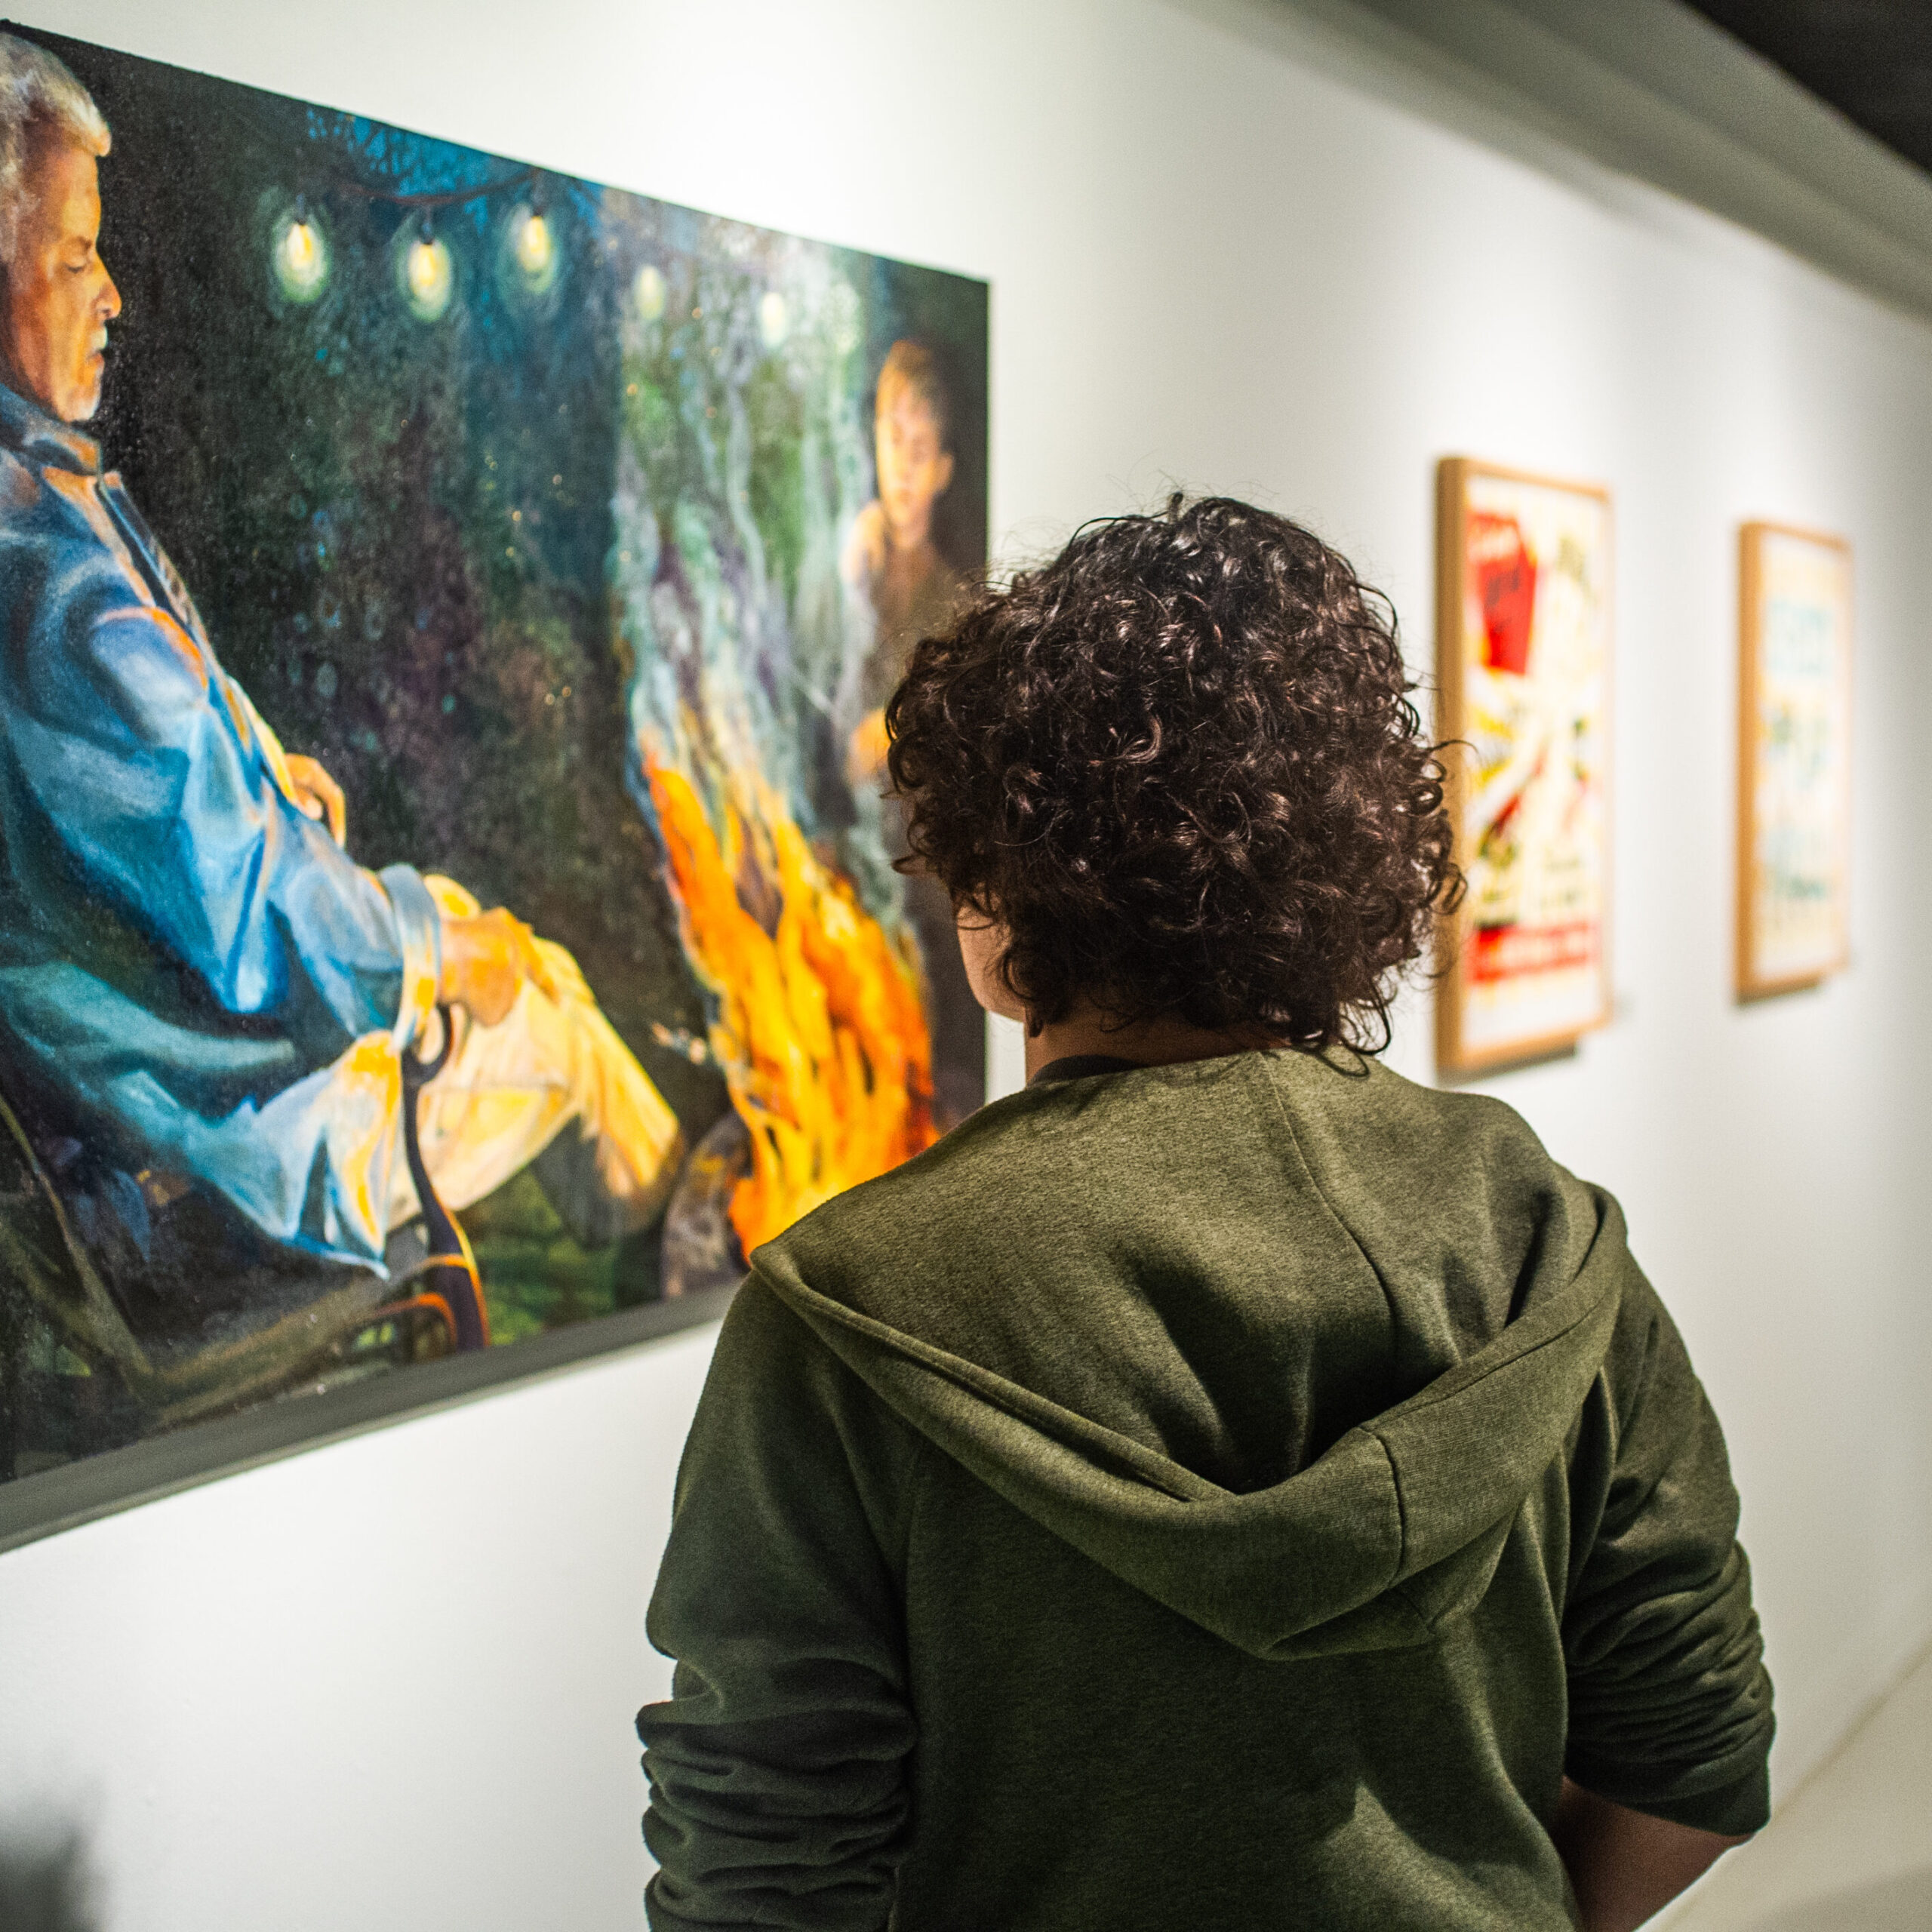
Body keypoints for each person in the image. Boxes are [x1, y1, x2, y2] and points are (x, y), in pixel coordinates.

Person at [638, 497, 1774, 1930]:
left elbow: (764, 1875)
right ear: (1359, 857)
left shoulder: (850, 1307)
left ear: (992, 891)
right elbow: (1696, 1755)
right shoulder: (1534, 1229)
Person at [0, 35, 682, 1329]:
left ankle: (682, 1278)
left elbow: (154, 807)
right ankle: (708, 1302)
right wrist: (434, 951)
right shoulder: (52, 584)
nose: (113, 295)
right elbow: (260, 917)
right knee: (544, 1008)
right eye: (76, 256)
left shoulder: (40, 510)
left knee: (498, 948)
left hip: (150, 1088)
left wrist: (259, 775)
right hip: (208, 1151)